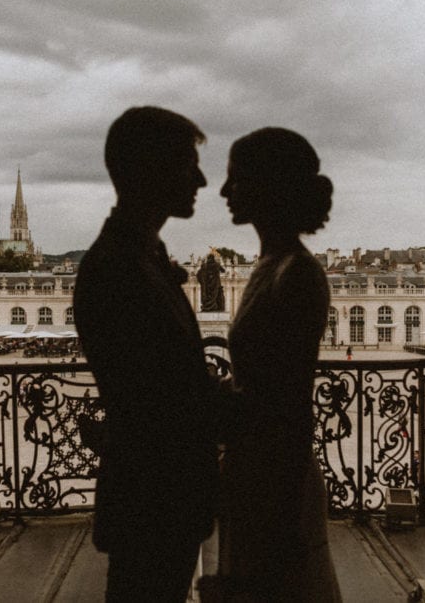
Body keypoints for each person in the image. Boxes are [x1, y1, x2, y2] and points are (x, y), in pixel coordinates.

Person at [74, 106, 219, 602]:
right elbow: (161, 404)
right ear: (149, 170)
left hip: (155, 495)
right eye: (187, 163)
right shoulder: (121, 269)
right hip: (155, 499)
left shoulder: (137, 257)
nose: (200, 178)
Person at [214, 127, 342, 600]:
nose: (224, 191)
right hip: (258, 472)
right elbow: (266, 385)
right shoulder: (274, 264)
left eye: (235, 179)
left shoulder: (296, 274)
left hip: (274, 482)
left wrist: (196, 404)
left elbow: (283, 410)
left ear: (268, 186)